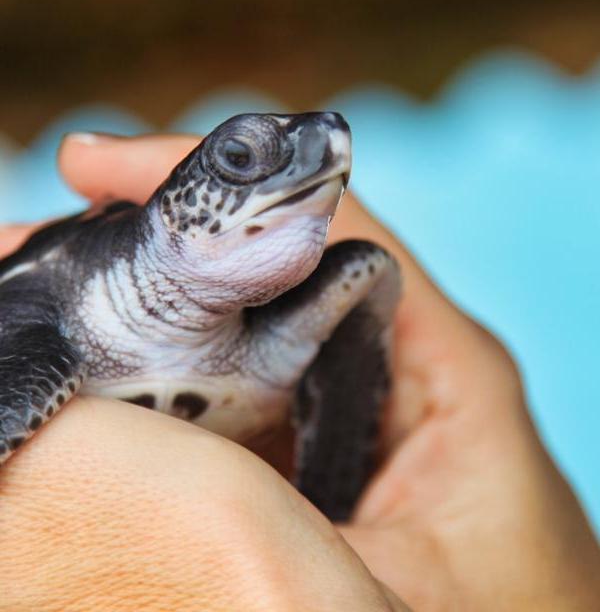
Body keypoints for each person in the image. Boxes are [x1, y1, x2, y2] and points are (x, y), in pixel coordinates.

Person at [0, 132, 598, 612]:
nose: (325, 152)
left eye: (328, 163)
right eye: (240, 157)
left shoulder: (288, 329)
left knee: (365, 267)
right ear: (170, 211)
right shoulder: (52, 310)